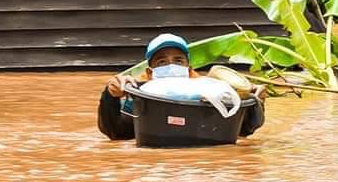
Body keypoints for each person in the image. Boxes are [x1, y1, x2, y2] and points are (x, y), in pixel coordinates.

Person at [97, 33, 266, 140]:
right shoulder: (138, 95)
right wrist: (110, 96)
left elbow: (243, 131)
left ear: (189, 69)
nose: (171, 66)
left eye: (178, 60)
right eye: (162, 61)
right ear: (150, 72)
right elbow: (116, 133)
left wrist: (256, 102)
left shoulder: (212, 93)